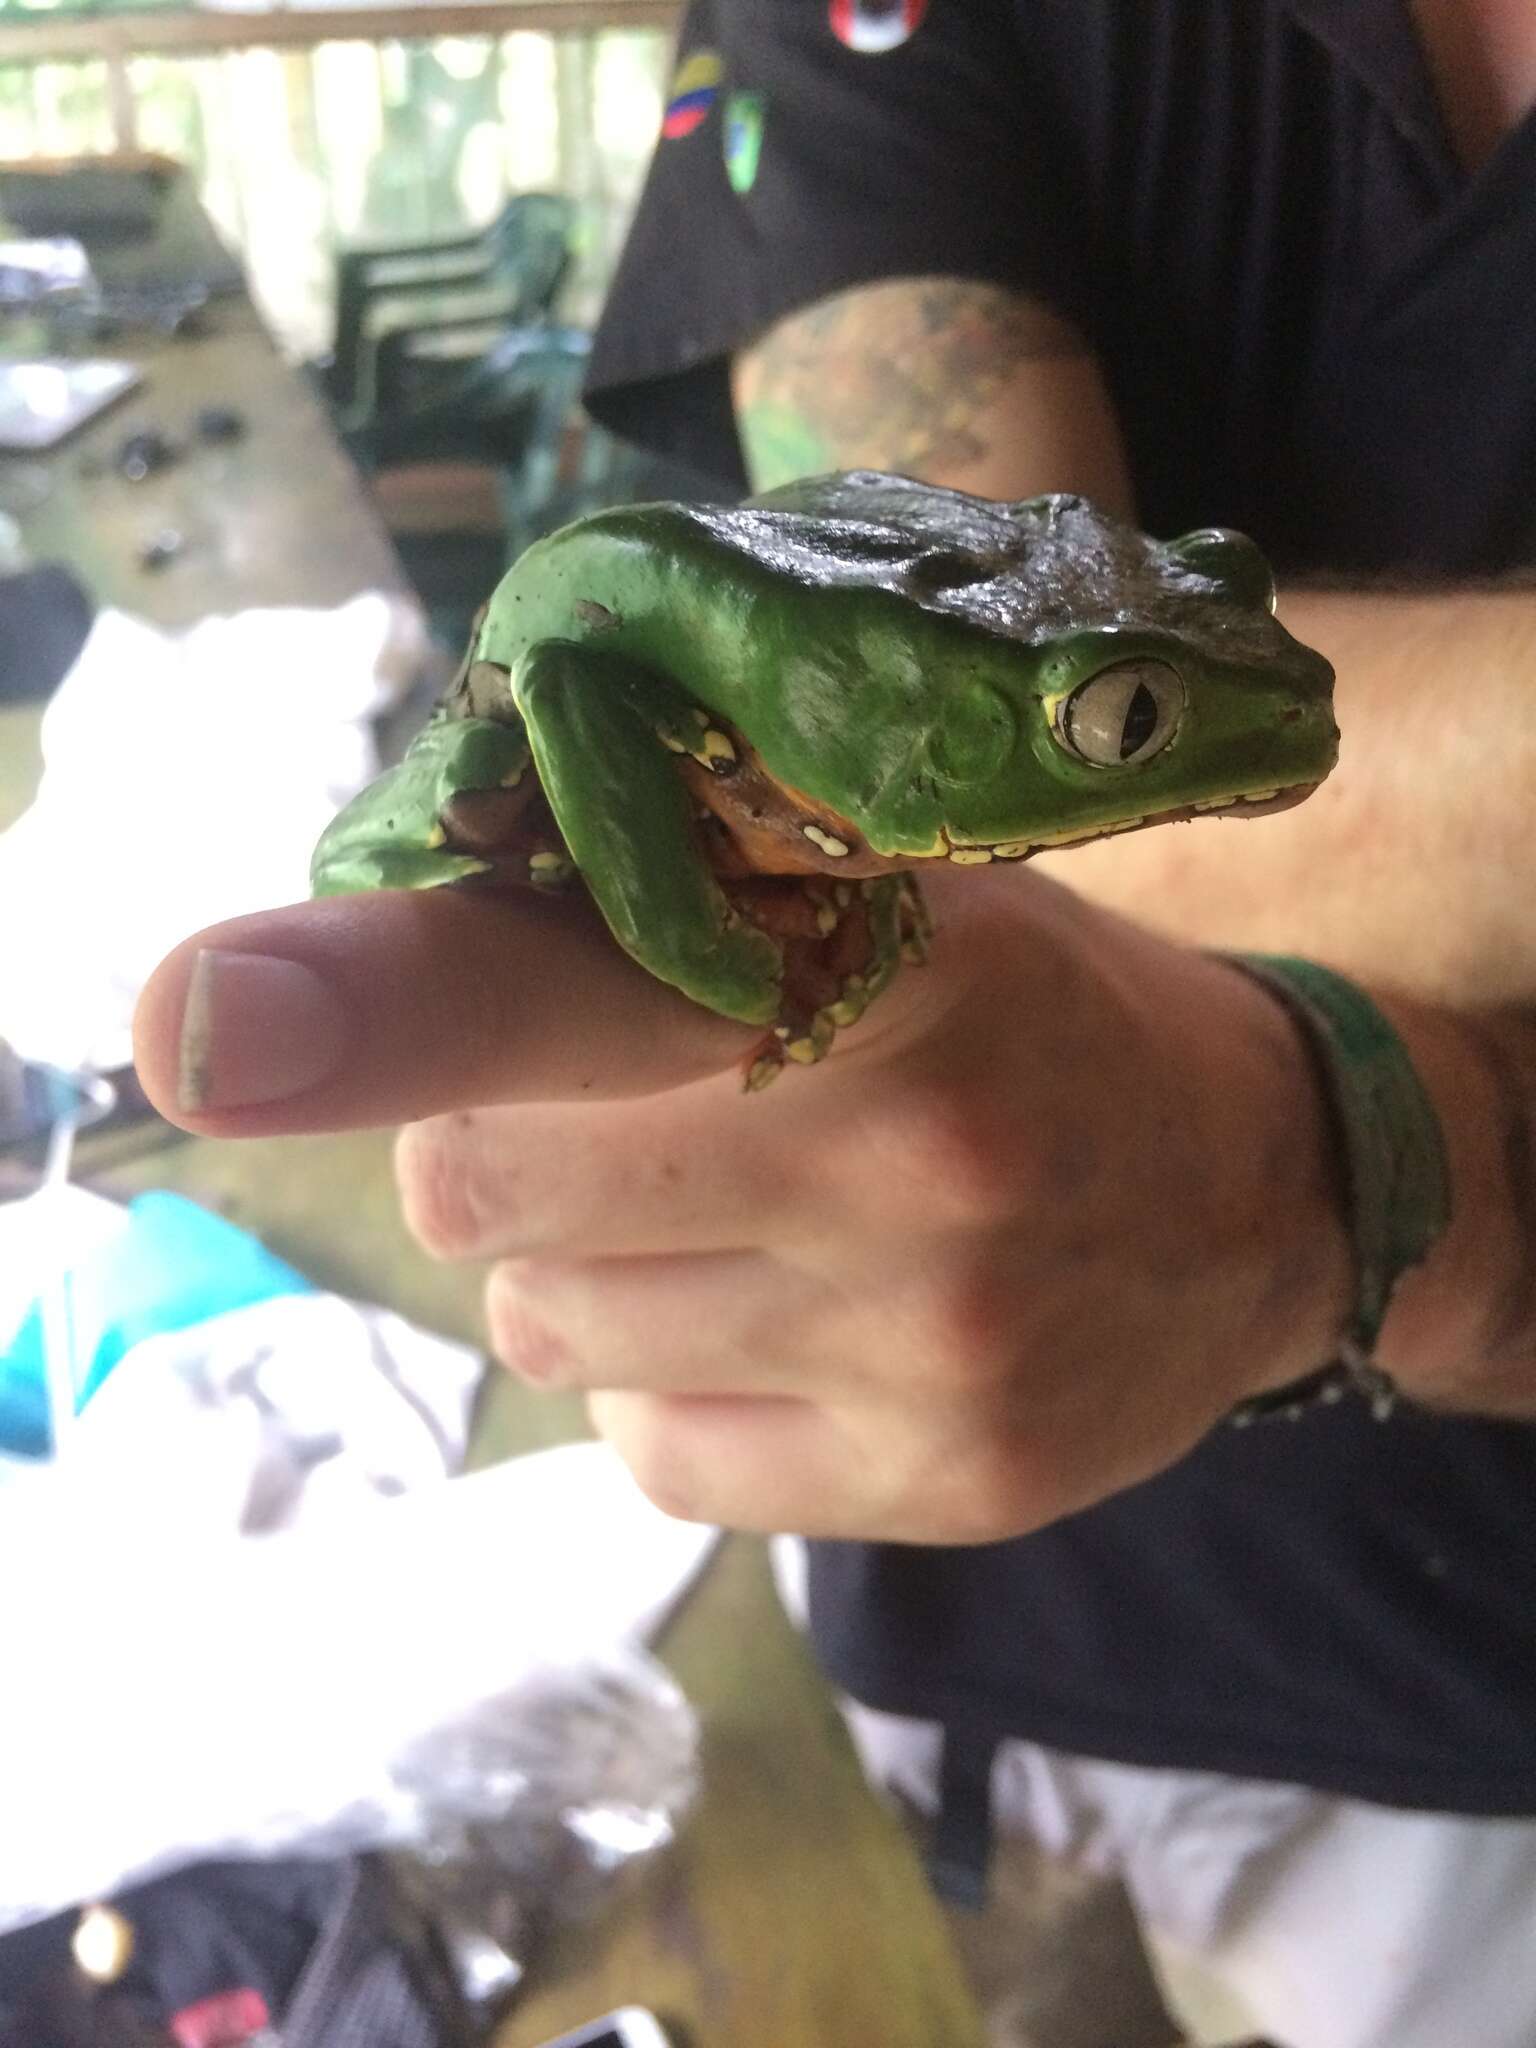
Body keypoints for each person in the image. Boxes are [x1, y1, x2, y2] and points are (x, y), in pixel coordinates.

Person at [132, 2, 1536, 2041]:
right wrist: (742, 928)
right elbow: (926, 727)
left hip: (1458, 1714)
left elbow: (1028, 835)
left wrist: (1354, 1178)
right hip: (866, 1527)